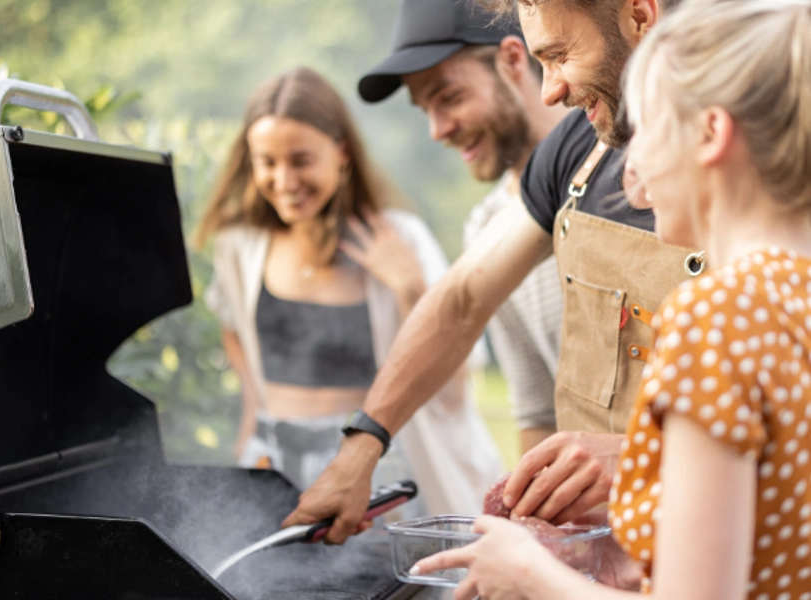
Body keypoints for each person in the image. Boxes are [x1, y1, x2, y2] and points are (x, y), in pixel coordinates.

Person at [414, 1, 811, 597]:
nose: (633, 172)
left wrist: (525, 572)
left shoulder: (715, 315)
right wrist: (626, 560)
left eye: (648, 129)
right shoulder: (792, 294)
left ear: (710, 135)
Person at [284, 0, 700, 542]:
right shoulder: (575, 148)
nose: (550, 91)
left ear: (640, 17)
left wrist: (640, 458)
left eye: (559, 54)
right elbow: (461, 303)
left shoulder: (770, 148)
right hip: (604, 561)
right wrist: (360, 448)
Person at [196, 66, 502, 514]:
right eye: (267, 162)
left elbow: (456, 376)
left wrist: (410, 286)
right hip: (271, 459)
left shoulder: (401, 238)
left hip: (370, 465)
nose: (284, 181)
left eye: (300, 160)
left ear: (341, 152)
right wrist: (251, 411)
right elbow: (232, 325)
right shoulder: (241, 245)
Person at [358, 0, 570, 456]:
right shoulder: (484, 228)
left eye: (450, 97)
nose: (437, 130)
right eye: (425, 110)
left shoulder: (622, 170)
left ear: (514, 59)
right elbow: (538, 414)